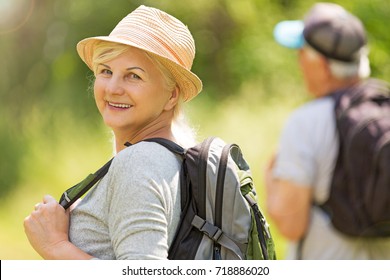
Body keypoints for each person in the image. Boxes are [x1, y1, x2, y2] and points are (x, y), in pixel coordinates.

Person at [23, 5, 202, 260]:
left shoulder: (138, 163)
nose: (113, 88)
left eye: (134, 76)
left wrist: (55, 247)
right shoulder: (179, 158)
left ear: (171, 95)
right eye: (106, 71)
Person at [264, 2, 390, 259]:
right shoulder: (384, 105)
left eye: (301, 53)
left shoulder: (306, 123)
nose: (298, 62)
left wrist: (270, 179)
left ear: (320, 64)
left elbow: (291, 226)